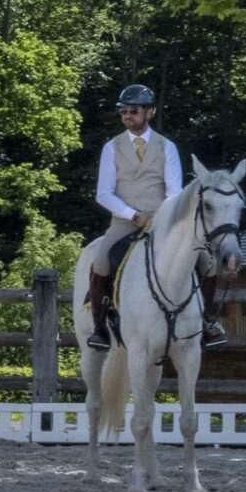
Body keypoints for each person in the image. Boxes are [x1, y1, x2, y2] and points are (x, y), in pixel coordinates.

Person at [82, 84, 226, 352]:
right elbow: (103, 193)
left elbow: (174, 190)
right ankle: (100, 327)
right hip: (125, 220)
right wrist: (133, 214)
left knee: (207, 262)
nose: (127, 116)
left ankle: (206, 323)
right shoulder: (111, 148)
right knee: (101, 262)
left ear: (150, 112)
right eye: (124, 112)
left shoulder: (166, 147)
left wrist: (162, 216)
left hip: (164, 219)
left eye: (133, 111)